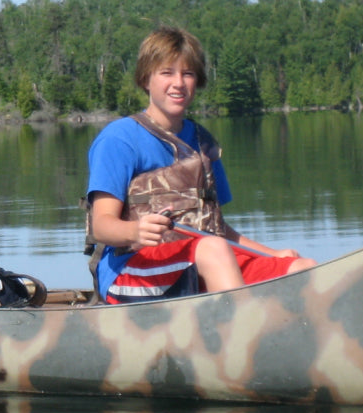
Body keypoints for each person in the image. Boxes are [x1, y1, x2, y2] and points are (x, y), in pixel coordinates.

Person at [84, 27, 315, 304]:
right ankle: (243, 337)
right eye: (167, 72)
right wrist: (135, 231)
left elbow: (219, 230)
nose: (178, 83)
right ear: (147, 79)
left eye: (188, 73)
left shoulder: (203, 142)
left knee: (302, 269)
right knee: (213, 250)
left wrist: (271, 253)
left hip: (204, 259)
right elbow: (101, 226)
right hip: (129, 273)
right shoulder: (119, 138)